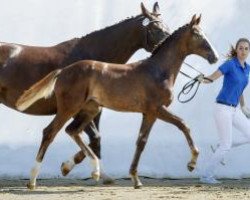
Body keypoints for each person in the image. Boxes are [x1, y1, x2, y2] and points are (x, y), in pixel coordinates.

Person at [198, 38, 250, 184]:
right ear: (236, 49)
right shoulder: (230, 64)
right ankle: (206, 175)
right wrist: (203, 79)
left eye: (246, 48)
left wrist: (244, 107)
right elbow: (212, 78)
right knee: (225, 145)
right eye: (241, 48)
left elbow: (240, 88)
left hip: (235, 109)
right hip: (222, 108)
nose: (243, 51)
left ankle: (218, 147)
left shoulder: (247, 68)